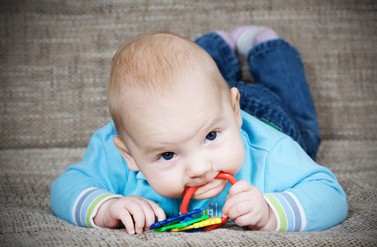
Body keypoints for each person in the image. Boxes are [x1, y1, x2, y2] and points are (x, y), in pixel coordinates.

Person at [50, 26, 348, 234]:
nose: (200, 168)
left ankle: (267, 46)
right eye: (167, 154)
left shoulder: (271, 151)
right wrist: (106, 208)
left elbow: (331, 196)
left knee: (306, 130)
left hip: (269, 116)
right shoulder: (119, 147)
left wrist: (271, 211)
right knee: (181, 73)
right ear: (129, 155)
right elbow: (65, 188)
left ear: (233, 111)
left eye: (211, 138)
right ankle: (215, 45)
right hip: (205, 108)